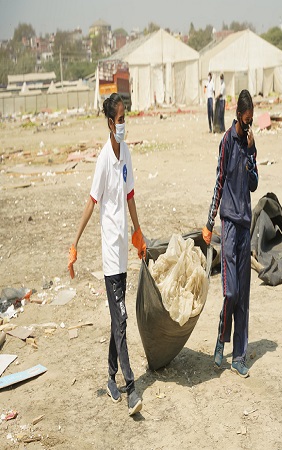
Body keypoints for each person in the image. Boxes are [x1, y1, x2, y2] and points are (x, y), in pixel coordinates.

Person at [67, 93, 145, 416]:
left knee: (118, 317)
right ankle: (130, 386)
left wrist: (138, 233)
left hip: (124, 251)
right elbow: (91, 202)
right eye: (121, 119)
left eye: (126, 117)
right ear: (110, 123)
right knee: (122, 318)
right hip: (109, 254)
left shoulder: (125, 152)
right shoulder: (102, 159)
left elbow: (129, 195)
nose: (124, 124)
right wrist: (74, 243)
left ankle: (110, 375)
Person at [202, 89, 259, 378]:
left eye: (252, 120)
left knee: (244, 296)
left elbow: (254, 184)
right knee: (231, 291)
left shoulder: (250, 144)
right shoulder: (226, 142)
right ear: (238, 116)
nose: (249, 125)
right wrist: (209, 222)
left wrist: (250, 154)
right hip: (229, 225)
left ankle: (239, 355)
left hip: (246, 225)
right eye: (246, 120)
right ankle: (221, 338)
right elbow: (219, 180)